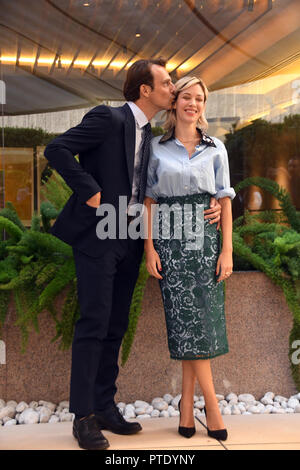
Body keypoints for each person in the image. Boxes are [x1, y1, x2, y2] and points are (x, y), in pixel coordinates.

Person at [44, 60, 222, 450]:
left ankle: (105, 405)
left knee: (115, 324)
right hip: (98, 235)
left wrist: (211, 201)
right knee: (93, 322)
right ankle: (84, 417)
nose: (173, 88)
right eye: (167, 82)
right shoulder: (109, 119)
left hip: (129, 236)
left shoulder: (154, 136)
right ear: (145, 89)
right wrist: (88, 189)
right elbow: (56, 148)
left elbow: (172, 179)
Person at [144, 76, 235, 442]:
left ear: (203, 106)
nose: (192, 103)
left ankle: (189, 406)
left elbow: (224, 198)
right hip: (169, 243)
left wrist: (227, 249)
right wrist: (148, 247)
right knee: (187, 324)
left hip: (206, 243)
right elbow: (148, 200)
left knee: (201, 322)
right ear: (174, 103)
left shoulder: (216, 148)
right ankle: (209, 407)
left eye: (199, 98)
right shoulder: (154, 147)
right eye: (186, 97)